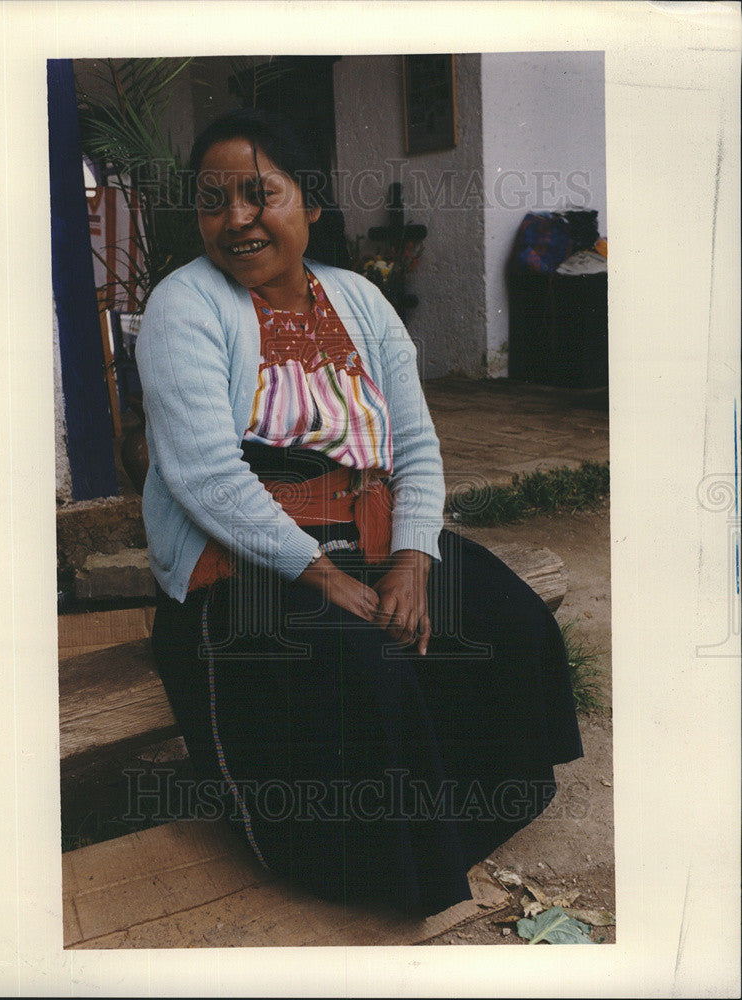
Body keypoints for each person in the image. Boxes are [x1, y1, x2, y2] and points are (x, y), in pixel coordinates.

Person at [135, 108, 583, 918]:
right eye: (212, 200)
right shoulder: (184, 305)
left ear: (308, 204)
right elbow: (204, 475)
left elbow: (413, 440)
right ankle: (366, 871)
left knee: (502, 621)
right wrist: (317, 574)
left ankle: (447, 834)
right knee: (356, 664)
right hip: (243, 555)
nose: (234, 218)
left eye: (256, 194)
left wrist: (413, 558)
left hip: (368, 532)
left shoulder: (357, 299)